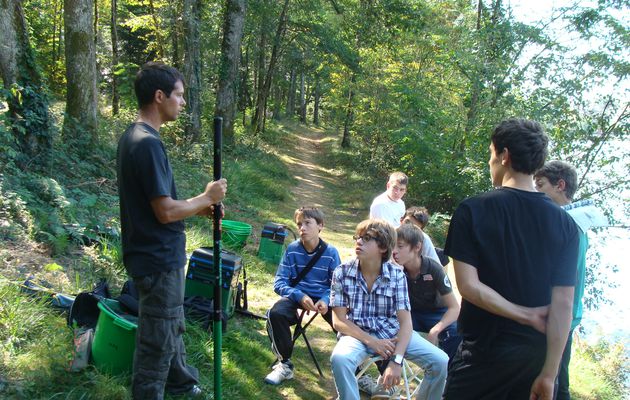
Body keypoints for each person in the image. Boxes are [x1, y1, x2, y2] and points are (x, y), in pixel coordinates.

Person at [443, 118, 580, 400]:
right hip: (533, 360)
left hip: (482, 354)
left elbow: (469, 286)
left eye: (491, 154)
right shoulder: (566, 226)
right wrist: (550, 374)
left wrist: (524, 315)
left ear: (504, 156)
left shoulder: (473, 210)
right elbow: (564, 304)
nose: (490, 162)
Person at [117, 62, 227, 399]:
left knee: (170, 326)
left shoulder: (136, 137)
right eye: (179, 95)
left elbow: (160, 206)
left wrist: (201, 206)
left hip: (157, 256)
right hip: (157, 260)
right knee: (157, 344)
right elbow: (165, 212)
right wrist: (207, 197)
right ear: (159, 95)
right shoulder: (146, 143)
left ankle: (181, 382)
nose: (182, 103)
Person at [330, 219, 448, 400]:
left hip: (393, 334)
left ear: (383, 248)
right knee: (340, 359)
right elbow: (339, 321)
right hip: (357, 335)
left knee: (441, 361)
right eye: (358, 237)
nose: (359, 242)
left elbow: (406, 322)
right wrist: (371, 341)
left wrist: (396, 360)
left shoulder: (396, 275)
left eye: (367, 238)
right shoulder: (341, 272)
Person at [264, 206, 341, 385]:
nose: (302, 228)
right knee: (275, 314)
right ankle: (284, 364)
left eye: (308, 223)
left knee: (346, 319)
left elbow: (337, 286)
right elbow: (280, 282)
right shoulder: (292, 250)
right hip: (296, 296)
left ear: (321, 225)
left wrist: (325, 299)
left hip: (322, 298)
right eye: (299, 224)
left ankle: (357, 369)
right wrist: (299, 296)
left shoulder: (331, 253)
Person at [535, 160, 589, 400]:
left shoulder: (569, 225)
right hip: (562, 315)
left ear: (560, 185)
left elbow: (563, 282)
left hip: (559, 316)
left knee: (554, 381)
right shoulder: (575, 221)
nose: (537, 191)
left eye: (541, 184)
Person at [393, 223, 461, 361]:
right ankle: (389, 369)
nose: (394, 251)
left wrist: (436, 329)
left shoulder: (433, 268)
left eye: (400, 246)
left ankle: (449, 372)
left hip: (437, 313)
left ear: (417, 247)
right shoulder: (395, 270)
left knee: (456, 332)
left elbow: (455, 308)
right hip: (409, 313)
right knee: (386, 327)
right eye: (393, 246)